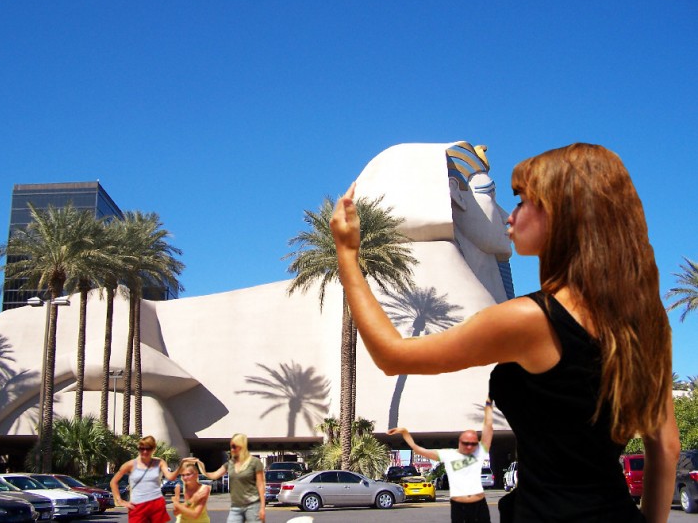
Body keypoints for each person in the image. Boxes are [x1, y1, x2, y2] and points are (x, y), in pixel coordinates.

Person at [330, 143, 680, 523]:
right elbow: (665, 446)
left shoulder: (527, 320)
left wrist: (348, 256)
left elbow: (393, 355)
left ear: (561, 213)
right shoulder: (644, 322)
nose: (509, 217)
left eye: (522, 201)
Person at [389, 400, 494, 522]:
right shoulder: (448, 455)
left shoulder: (479, 452)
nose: (469, 446)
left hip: (479, 504)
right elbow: (419, 449)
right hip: (459, 506)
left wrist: (488, 405)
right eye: (466, 443)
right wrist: (404, 432)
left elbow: (488, 428)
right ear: (460, 442)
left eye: (473, 443)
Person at [110, 435, 187, 523]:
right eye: (142, 448)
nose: (145, 451)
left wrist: (181, 466)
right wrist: (120, 501)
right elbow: (113, 482)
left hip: (156, 504)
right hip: (137, 505)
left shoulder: (159, 462)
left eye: (148, 448)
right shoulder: (130, 464)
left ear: (153, 449)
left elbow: (170, 477)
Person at [202, 433, 266, 522]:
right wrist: (201, 468)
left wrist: (262, 507)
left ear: (242, 446)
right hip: (236, 507)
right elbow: (215, 475)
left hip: (253, 505)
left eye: (234, 446)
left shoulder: (255, 462)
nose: (232, 449)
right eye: (231, 447)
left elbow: (261, 485)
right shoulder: (230, 464)